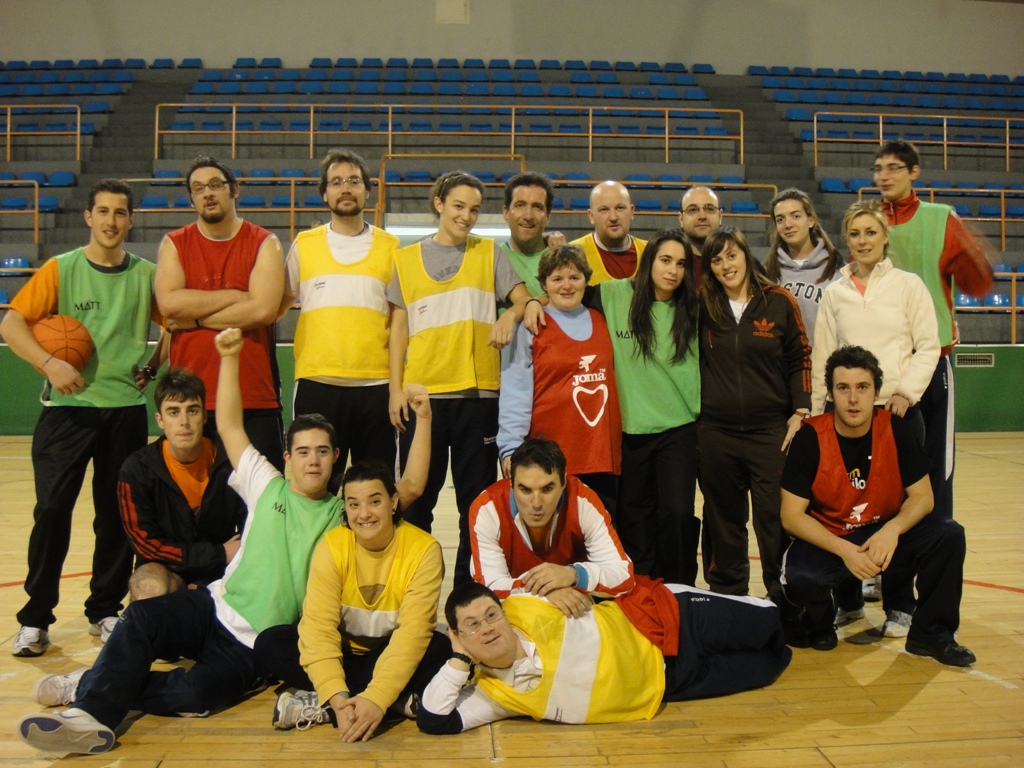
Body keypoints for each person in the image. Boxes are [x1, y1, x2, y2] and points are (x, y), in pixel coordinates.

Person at [17, 328, 343, 755]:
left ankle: (91, 681)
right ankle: (89, 714)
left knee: (195, 696)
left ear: (336, 457)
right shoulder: (266, 484)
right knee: (143, 618)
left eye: (322, 451)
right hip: (213, 605)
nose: (313, 459)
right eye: (303, 451)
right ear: (287, 457)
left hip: (254, 644)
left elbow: (406, 491)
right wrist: (229, 356)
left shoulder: (343, 515)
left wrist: (424, 420)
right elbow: (227, 422)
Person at [1, 179, 164, 656]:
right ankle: (35, 619)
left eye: (120, 212)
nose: (111, 220)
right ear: (88, 217)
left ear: (131, 221)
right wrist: (49, 362)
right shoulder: (61, 269)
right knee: (52, 511)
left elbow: (172, 322)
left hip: (125, 412)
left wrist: (153, 366)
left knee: (116, 517)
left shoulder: (146, 274)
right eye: (103, 211)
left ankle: (104, 610)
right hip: (67, 413)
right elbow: (11, 322)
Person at [253, 395, 446, 741]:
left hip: (387, 652)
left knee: (437, 648)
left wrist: (375, 697)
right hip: (346, 656)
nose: (365, 514)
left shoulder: (424, 550)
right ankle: (392, 701)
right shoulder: (333, 544)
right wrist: (340, 696)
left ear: (393, 502)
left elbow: (411, 635)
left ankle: (322, 704)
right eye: (354, 504)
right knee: (270, 643)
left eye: (374, 501)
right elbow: (318, 629)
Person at [780, 346, 975, 666]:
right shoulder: (810, 437)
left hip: (884, 529)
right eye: (843, 388)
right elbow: (790, 516)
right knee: (802, 577)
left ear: (876, 393)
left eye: (862, 388)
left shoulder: (897, 430)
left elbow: (924, 498)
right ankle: (819, 621)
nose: (853, 398)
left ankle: (932, 634)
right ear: (830, 393)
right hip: (835, 536)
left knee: (948, 535)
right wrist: (845, 551)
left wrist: (893, 530)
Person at [387, 170, 532, 586]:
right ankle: (415, 591)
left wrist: (509, 311)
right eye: (458, 206)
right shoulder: (406, 259)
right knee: (415, 502)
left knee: (476, 506)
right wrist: (396, 389)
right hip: (423, 401)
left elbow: (524, 300)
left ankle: (468, 597)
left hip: (479, 399)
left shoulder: (490, 254)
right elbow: (398, 329)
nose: (466, 216)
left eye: (473, 209)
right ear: (439, 204)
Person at [416, 580, 791, 733]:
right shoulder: (493, 697)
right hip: (669, 685)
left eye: (491, 615)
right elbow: (434, 721)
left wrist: (569, 578)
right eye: (472, 626)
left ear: (503, 609)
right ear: (457, 636)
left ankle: (800, 599)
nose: (487, 628)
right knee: (771, 665)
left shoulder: (524, 603)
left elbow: (596, 572)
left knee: (772, 623)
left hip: (666, 620)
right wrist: (459, 659)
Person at [870, 139, 993, 525]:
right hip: (885, 362)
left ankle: (936, 557)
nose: (884, 175)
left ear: (914, 173)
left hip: (933, 358)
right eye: (878, 169)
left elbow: (977, 284)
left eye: (893, 168)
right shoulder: (869, 220)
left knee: (938, 468)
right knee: (884, 470)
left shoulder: (940, 218)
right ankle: (882, 566)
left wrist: (974, 260)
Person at [697, 226, 811, 607]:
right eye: (716, 260)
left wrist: (801, 408)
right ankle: (730, 600)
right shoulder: (702, 306)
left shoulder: (778, 301)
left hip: (771, 432)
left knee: (774, 519)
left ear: (746, 254)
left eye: (731, 255)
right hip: (716, 434)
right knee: (724, 522)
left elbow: (800, 357)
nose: (726, 265)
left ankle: (784, 600)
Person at [155, 155, 286, 470]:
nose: (207, 194)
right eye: (198, 189)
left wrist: (196, 318)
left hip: (253, 398)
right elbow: (170, 306)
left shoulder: (264, 243)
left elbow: (263, 310)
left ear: (234, 190)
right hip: (191, 402)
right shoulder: (174, 243)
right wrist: (233, 296)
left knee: (259, 511)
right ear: (192, 199)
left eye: (215, 185)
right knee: (200, 514)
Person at [279, 149, 400, 488]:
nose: (345, 188)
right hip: (317, 384)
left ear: (367, 190)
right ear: (325, 193)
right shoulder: (305, 244)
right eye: (336, 182)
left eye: (353, 181)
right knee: (317, 487)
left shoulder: (392, 248)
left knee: (375, 486)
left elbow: (400, 321)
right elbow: (278, 301)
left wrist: (397, 386)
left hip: (376, 387)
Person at [594, 228, 702, 584]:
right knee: (634, 518)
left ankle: (680, 591)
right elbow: (564, 290)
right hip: (630, 430)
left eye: (681, 264)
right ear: (649, 260)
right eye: (665, 260)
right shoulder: (613, 295)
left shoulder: (693, 308)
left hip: (679, 428)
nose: (673, 270)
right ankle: (641, 591)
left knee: (677, 514)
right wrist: (529, 304)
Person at [498, 245, 622, 506]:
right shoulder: (531, 325)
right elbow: (515, 392)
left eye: (574, 277)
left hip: (600, 456)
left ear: (586, 281)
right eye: (557, 279)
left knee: (599, 542)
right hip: (549, 460)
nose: (567, 286)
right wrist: (510, 448)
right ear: (544, 283)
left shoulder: (603, 320)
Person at [118, 368, 247, 601]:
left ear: (204, 416)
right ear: (160, 420)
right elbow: (146, 545)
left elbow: (255, 522)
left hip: (225, 569)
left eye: (193, 410)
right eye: (174, 412)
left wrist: (229, 560)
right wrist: (216, 554)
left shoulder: (232, 462)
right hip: (170, 567)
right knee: (147, 585)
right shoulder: (137, 469)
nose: (184, 422)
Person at [468, 438, 633, 618]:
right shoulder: (487, 508)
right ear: (511, 484)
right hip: (515, 614)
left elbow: (624, 577)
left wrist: (574, 574)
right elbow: (490, 588)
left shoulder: (582, 501)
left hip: (575, 609)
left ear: (563, 482)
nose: (536, 503)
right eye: (525, 490)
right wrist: (544, 592)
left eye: (547, 489)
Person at [765, 188, 845, 342]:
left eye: (795, 216)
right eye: (780, 219)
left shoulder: (838, 272)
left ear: (811, 220)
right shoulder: (767, 273)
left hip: (824, 362)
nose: (788, 224)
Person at [500, 172, 566, 297]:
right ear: (506, 213)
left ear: (548, 216)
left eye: (537, 207)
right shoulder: (494, 258)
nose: (528, 216)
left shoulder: (561, 256)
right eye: (520, 205)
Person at [569, 181, 648, 284]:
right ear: (591, 216)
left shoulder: (650, 252)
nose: (613, 217)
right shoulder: (573, 254)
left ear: (632, 211)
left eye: (620, 208)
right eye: (604, 210)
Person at [677, 186, 723, 286]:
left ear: (720, 216)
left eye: (710, 209)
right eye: (692, 210)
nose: (702, 216)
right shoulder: (668, 264)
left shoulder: (741, 263)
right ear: (681, 219)